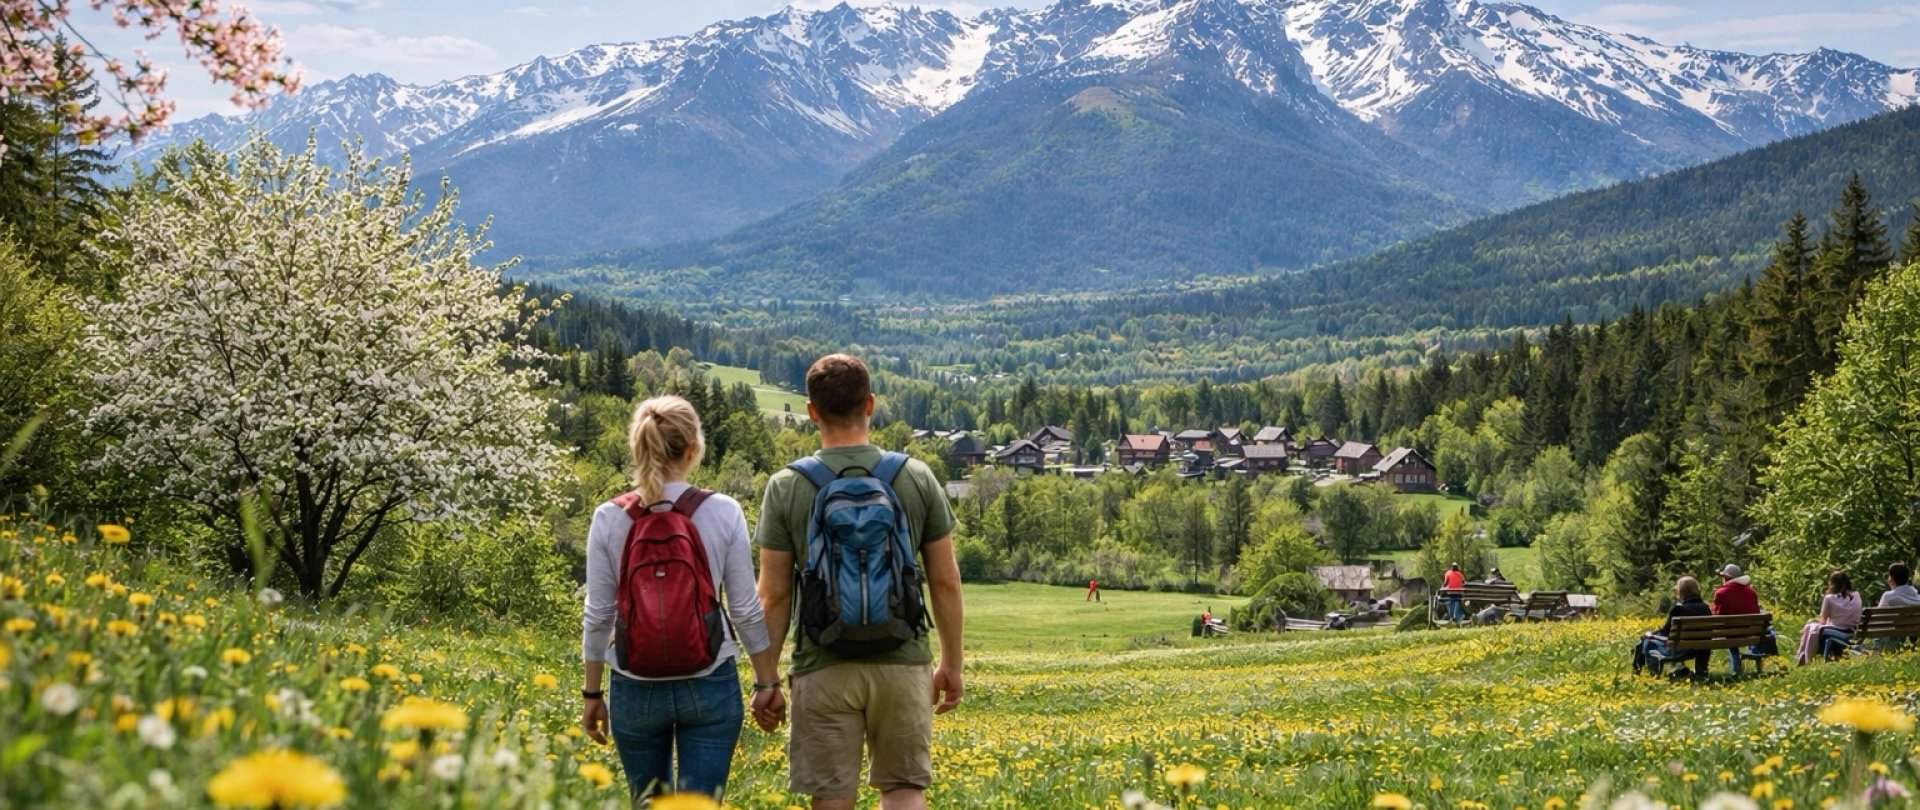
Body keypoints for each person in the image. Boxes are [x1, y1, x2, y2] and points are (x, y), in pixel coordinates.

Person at [756, 354, 965, 810]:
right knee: (904, 789)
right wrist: (951, 661)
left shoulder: (786, 486)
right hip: (903, 658)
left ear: (811, 411)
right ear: (870, 404)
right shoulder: (915, 476)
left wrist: (766, 678)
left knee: (832, 798)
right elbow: (945, 581)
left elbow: (773, 595)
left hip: (822, 662)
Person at [580, 396, 783, 799]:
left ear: (637, 447)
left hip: (635, 684)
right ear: (694, 449)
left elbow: (599, 614)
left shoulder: (609, 517)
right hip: (710, 681)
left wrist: (592, 693)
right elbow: (743, 608)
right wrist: (766, 681)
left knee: (648, 803)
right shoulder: (723, 511)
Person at [1634, 576, 1712, 677]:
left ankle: (1647, 673)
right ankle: (1694, 670)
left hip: (1680, 650)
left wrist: (1650, 635)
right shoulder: (1705, 608)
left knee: (1646, 641)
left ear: (1681, 591)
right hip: (1701, 648)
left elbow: (1665, 633)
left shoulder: (1679, 610)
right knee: (1647, 640)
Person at [1711, 563, 1768, 674]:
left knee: (1730, 633)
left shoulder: (1721, 593)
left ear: (1726, 577)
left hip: (1729, 633)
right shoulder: (1751, 592)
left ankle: (1736, 668)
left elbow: (1717, 616)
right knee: (1734, 631)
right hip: (1749, 632)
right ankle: (1753, 663)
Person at [1796, 571, 1861, 664]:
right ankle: (1803, 657)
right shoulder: (1856, 596)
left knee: (1810, 627)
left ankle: (1804, 658)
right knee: (1811, 626)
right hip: (1853, 632)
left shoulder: (1829, 598)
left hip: (1837, 632)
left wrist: (1812, 621)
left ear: (1832, 584)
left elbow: (1823, 621)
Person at [1875, 562, 1920, 650]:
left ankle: (1880, 650)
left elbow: (1878, 619)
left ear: (1891, 579)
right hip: (1914, 631)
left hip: (1894, 632)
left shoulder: (1888, 596)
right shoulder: (1917, 597)